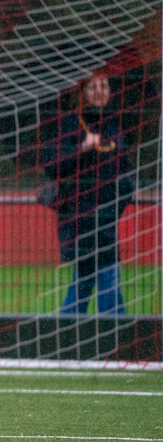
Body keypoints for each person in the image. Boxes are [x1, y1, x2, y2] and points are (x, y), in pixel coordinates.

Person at [41, 74, 134, 315]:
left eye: (103, 86)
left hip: (106, 219)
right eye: (92, 87)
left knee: (85, 283)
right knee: (106, 279)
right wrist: (81, 148)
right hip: (79, 220)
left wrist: (118, 203)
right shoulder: (71, 124)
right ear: (82, 92)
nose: (98, 92)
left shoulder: (114, 127)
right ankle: (116, 341)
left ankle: (67, 335)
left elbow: (125, 173)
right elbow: (52, 165)